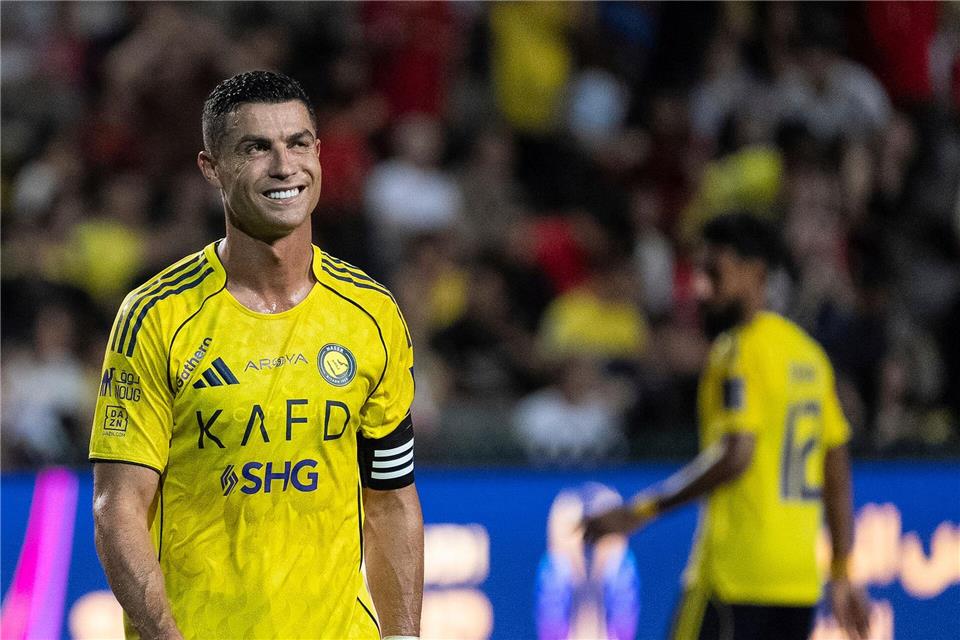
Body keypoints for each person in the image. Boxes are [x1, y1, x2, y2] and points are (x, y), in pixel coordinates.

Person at [89, 70, 423, 640]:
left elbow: (390, 499)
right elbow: (118, 506)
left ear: (318, 153)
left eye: (297, 143)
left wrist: (403, 635)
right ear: (210, 167)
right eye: (255, 148)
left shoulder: (371, 313)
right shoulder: (156, 317)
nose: (284, 166)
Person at [582, 213, 870, 640]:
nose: (702, 287)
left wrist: (641, 510)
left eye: (714, 272)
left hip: (735, 576)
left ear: (755, 273)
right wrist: (842, 571)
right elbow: (837, 468)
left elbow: (737, 454)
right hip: (796, 583)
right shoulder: (807, 354)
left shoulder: (738, 350)